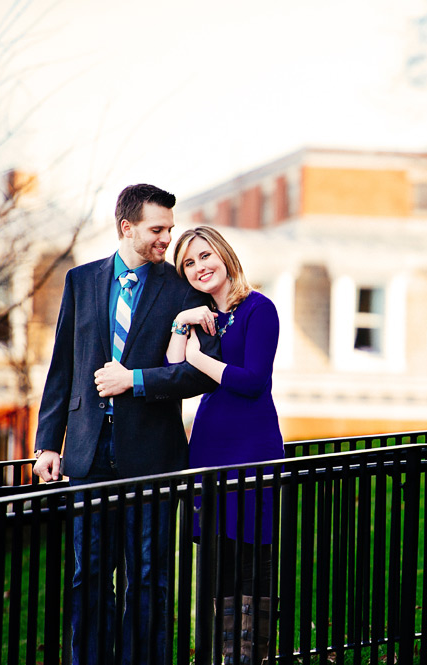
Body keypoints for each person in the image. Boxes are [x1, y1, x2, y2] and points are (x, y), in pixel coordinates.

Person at [32, 184, 220, 665]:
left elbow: (197, 374)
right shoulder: (80, 281)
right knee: (88, 574)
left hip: (152, 454)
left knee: (148, 576)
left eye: (169, 229)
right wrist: (47, 444)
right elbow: (63, 368)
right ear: (126, 227)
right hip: (88, 454)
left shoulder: (181, 289)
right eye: (157, 230)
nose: (166, 239)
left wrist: (134, 380)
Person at [168, 225, 285, 665]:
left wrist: (201, 358)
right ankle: (219, 655)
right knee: (217, 563)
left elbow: (254, 381)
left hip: (251, 446)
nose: (199, 267)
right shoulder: (202, 319)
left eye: (204, 256)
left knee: (252, 558)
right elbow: (174, 370)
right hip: (210, 449)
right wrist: (182, 323)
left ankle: (251, 656)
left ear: (223, 254)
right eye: (189, 264)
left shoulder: (259, 309)